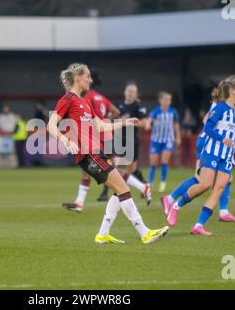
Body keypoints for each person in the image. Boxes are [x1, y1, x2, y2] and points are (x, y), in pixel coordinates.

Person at [47, 63, 168, 244]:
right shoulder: (68, 99)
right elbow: (50, 125)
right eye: (87, 76)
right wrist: (65, 140)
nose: (91, 80)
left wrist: (125, 123)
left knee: (119, 189)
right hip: (88, 154)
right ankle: (144, 233)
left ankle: (103, 234)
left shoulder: (85, 102)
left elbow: (101, 126)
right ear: (78, 78)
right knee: (124, 188)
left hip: (97, 152)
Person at [162, 76, 235, 236]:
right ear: (233, 91)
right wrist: (221, 138)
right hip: (212, 152)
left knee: (218, 190)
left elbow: (234, 140)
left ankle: (198, 226)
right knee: (205, 184)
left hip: (227, 158)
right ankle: (176, 206)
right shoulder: (219, 109)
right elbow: (208, 129)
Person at [61, 69, 151, 213]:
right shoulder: (101, 97)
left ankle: (141, 188)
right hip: (106, 136)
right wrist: (107, 119)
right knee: (109, 170)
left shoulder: (86, 98)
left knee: (101, 171)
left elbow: (83, 117)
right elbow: (115, 111)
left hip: (95, 138)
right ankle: (82, 201)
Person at [146, 91, 181, 193]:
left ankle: (163, 182)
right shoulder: (155, 111)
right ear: (160, 100)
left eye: (169, 100)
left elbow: (176, 124)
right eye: (165, 99)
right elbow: (149, 120)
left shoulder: (173, 112)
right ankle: (150, 183)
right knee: (153, 162)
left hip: (168, 140)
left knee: (164, 161)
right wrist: (148, 124)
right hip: (156, 140)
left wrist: (178, 137)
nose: (167, 102)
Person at [116, 82, 148, 184]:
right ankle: (107, 193)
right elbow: (113, 119)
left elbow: (144, 124)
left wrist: (130, 122)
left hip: (131, 140)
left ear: (136, 94)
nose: (131, 93)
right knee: (115, 167)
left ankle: (144, 185)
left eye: (133, 92)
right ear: (125, 92)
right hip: (119, 139)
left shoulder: (138, 107)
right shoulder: (119, 106)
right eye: (129, 91)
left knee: (131, 170)